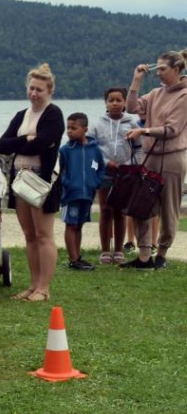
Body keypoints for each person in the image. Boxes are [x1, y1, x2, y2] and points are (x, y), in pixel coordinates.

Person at [0, 63, 65, 302]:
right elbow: (2, 145)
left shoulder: (53, 114)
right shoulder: (21, 115)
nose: (34, 93)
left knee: (44, 234)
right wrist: (25, 139)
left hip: (41, 180)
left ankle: (44, 288)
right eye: (31, 88)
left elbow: (42, 144)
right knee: (29, 234)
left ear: (50, 91)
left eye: (39, 90)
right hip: (20, 179)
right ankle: (34, 284)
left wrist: (24, 142)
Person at [121, 50, 187, 270]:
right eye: (156, 68)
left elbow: (172, 129)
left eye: (162, 69)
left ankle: (162, 254)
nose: (158, 72)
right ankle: (144, 256)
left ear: (176, 69)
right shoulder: (156, 93)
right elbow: (131, 108)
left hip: (172, 159)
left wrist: (143, 131)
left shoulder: (184, 95)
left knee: (168, 209)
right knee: (141, 205)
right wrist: (136, 81)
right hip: (150, 157)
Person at [90, 87, 140, 264]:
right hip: (104, 173)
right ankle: (105, 250)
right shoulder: (97, 124)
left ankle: (118, 250)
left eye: (119, 100)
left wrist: (131, 166)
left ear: (125, 102)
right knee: (105, 210)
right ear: (106, 103)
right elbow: (91, 148)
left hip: (125, 174)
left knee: (120, 211)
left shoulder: (132, 124)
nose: (115, 103)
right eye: (111, 100)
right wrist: (105, 162)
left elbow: (139, 149)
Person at [59, 113, 105, 271]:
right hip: (71, 195)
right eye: (68, 128)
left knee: (79, 225)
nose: (69, 131)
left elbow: (100, 168)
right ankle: (73, 259)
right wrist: (68, 183)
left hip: (88, 195)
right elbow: (59, 171)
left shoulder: (95, 150)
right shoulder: (66, 150)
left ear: (85, 129)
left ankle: (77, 256)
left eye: (74, 128)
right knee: (71, 224)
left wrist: (96, 182)